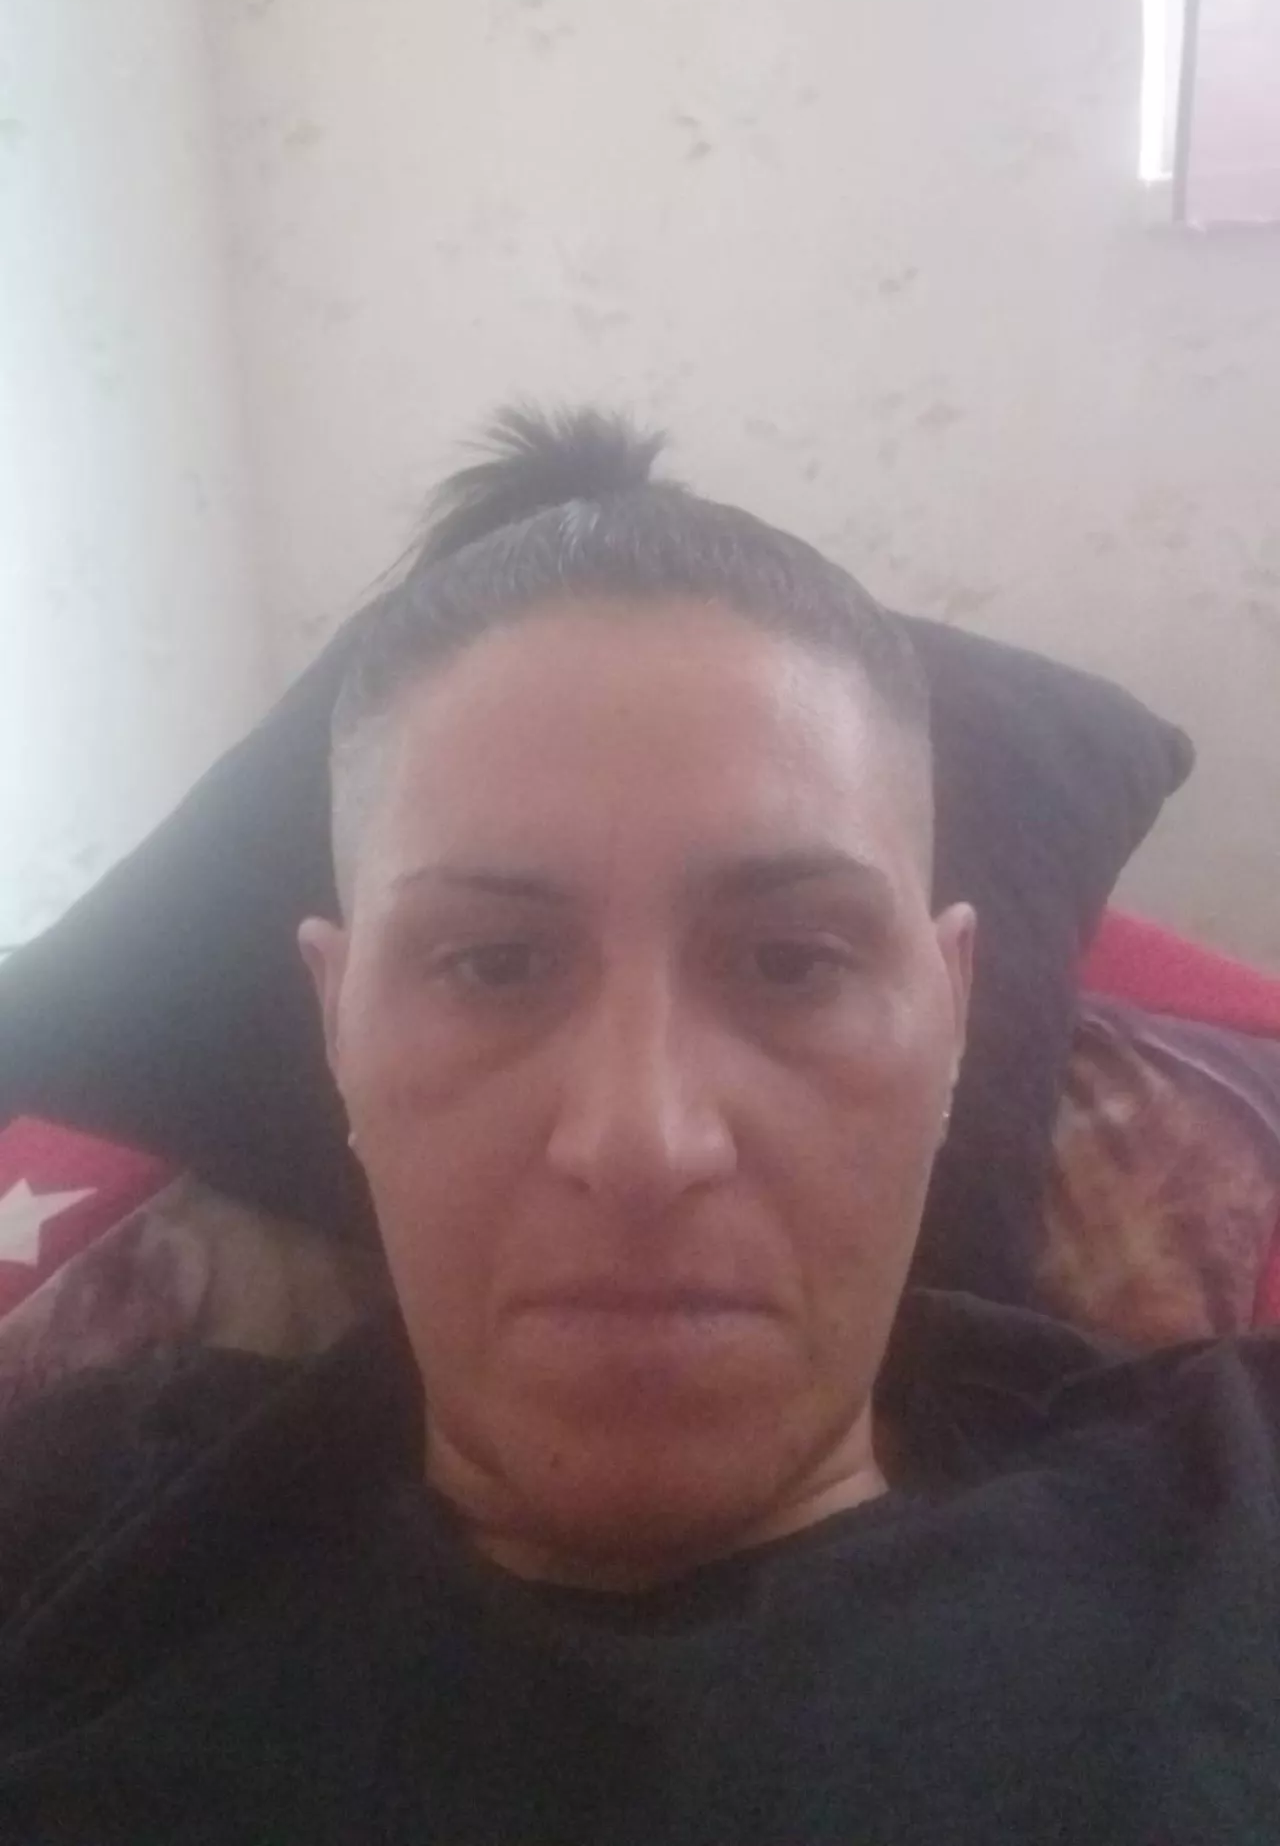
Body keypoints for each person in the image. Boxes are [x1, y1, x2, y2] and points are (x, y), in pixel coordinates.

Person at [0, 408, 1277, 1845]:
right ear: (338, 1025)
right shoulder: (64, 1530)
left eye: (790, 962)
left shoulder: (1237, 1515)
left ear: (953, 1013)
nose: (644, 1143)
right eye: (496, 964)